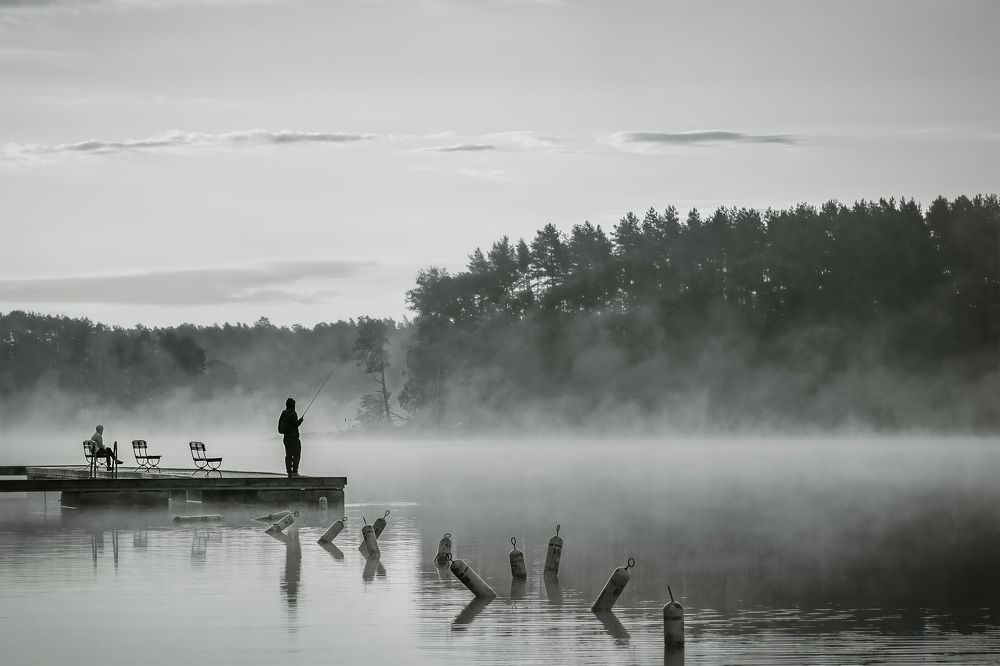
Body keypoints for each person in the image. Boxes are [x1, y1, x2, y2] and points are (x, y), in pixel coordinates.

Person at [277, 398, 304, 477]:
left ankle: (289, 472)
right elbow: (295, 425)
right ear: (293, 405)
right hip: (294, 438)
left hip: (286, 438)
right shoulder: (293, 413)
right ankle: (295, 472)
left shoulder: (284, 413)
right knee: (297, 455)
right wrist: (300, 421)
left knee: (288, 455)